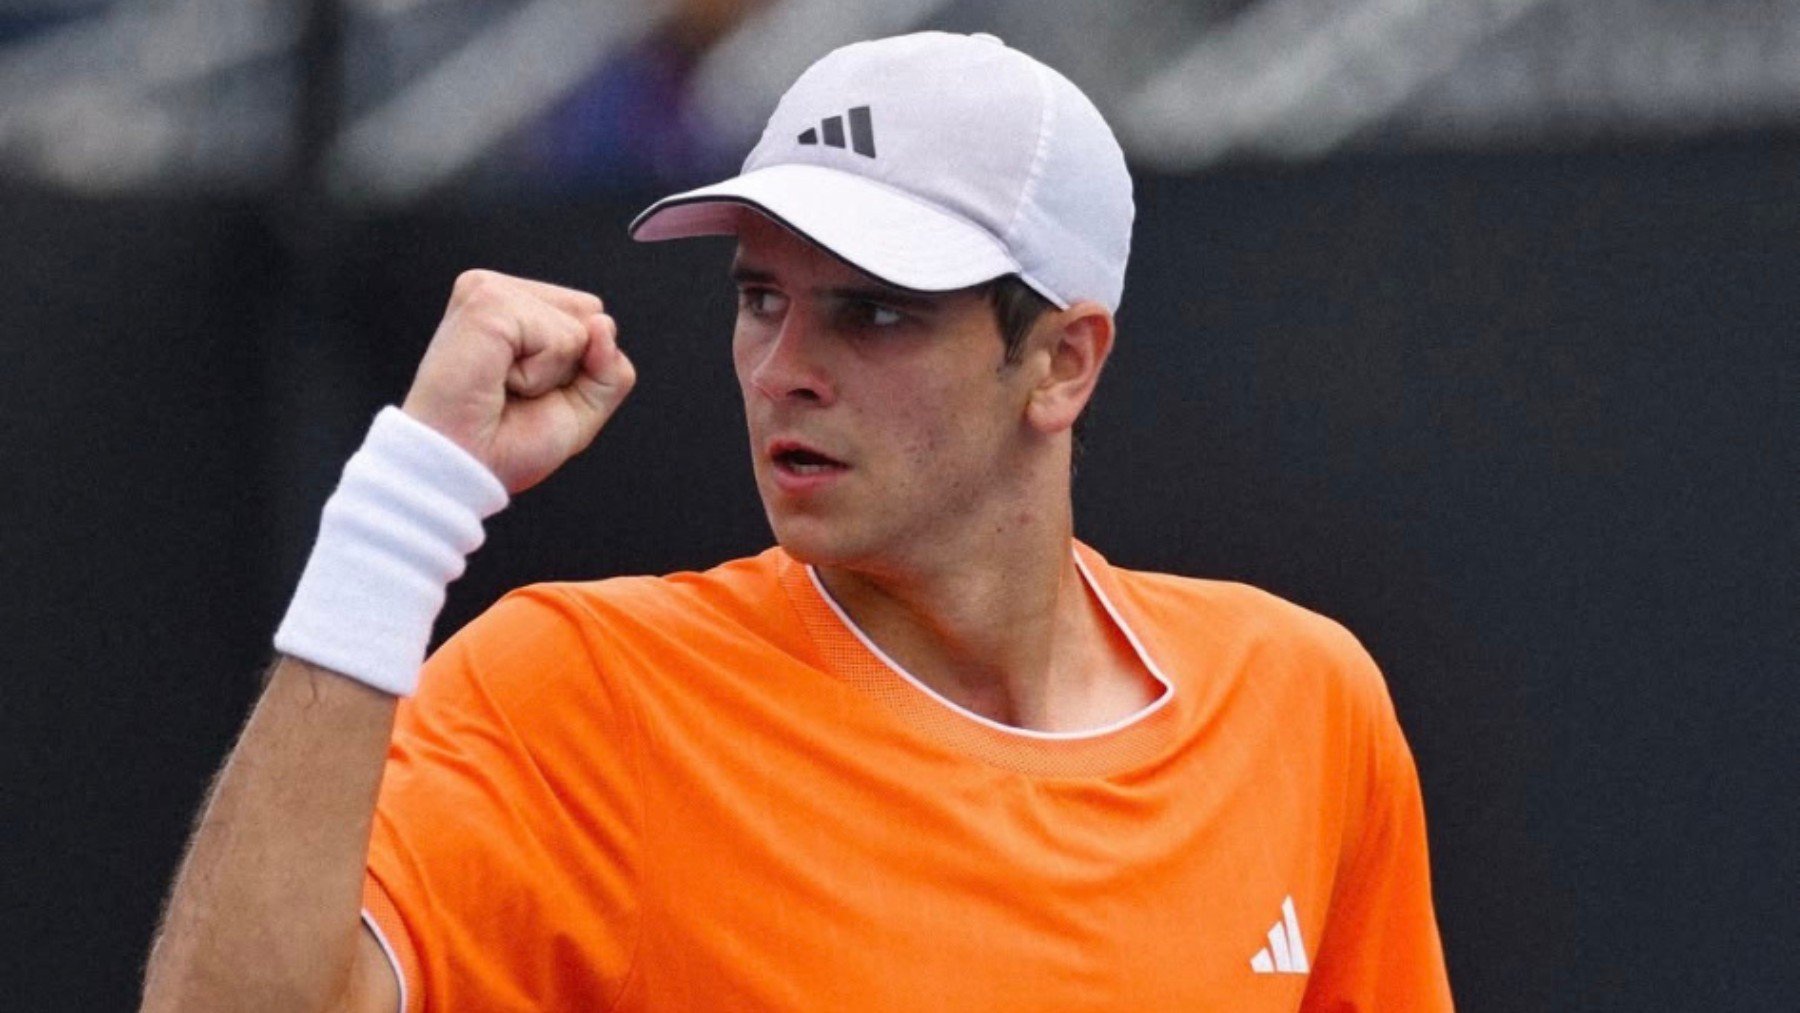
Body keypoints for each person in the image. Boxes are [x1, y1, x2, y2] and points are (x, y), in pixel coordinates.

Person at [141, 31, 1452, 1013]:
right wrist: (401, 510)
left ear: (1062, 362)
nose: (783, 369)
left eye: (873, 311)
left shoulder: (1305, 700)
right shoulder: (574, 694)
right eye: (761, 297)